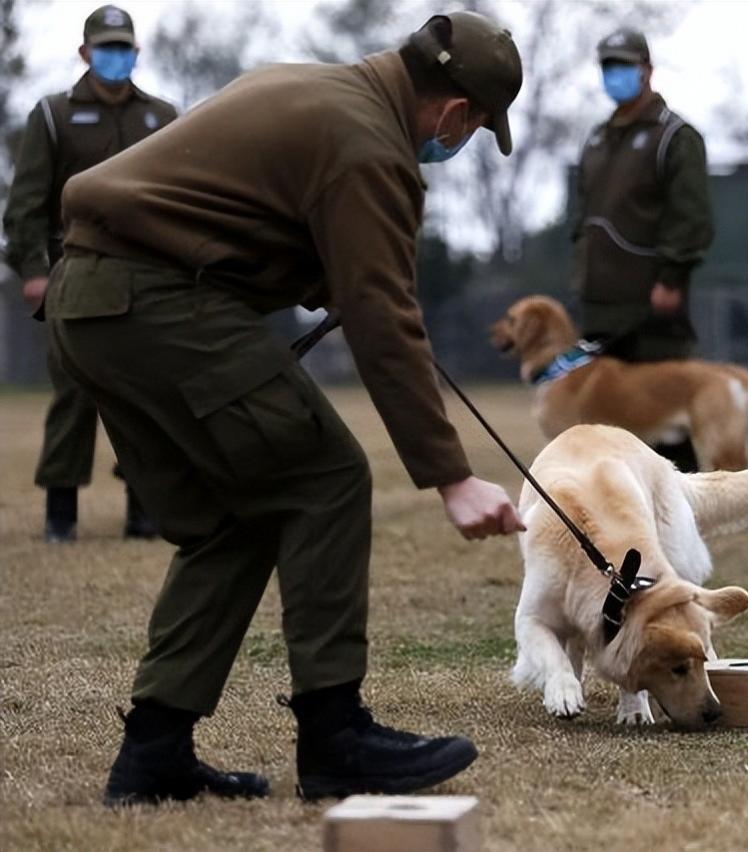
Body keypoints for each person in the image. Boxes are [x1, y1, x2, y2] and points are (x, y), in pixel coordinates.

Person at [44, 11, 524, 805]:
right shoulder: (370, 143)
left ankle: (154, 751)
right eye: (472, 130)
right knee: (327, 476)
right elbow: (382, 313)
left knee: (233, 516)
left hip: (89, 300)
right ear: (454, 113)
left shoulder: (319, 89)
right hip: (155, 300)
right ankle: (336, 734)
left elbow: (251, 221)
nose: (456, 144)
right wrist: (452, 477)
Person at [2, 5, 176, 542]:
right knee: (74, 393)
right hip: (72, 272)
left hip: (146, 274)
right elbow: (25, 203)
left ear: (136, 52)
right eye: (106, 47)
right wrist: (33, 270)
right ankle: (61, 515)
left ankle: (144, 510)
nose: (115, 56)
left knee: (147, 394)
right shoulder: (53, 115)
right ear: (84, 52)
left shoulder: (162, 117)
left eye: (124, 47)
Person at [570, 27, 714, 472]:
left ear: (647, 70)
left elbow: (691, 218)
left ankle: (692, 506)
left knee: (666, 421)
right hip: (601, 305)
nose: (614, 74)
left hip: (651, 306)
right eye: (607, 66)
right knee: (608, 421)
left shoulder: (675, 137)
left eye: (623, 65)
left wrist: (671, 277)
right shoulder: (596, 139)